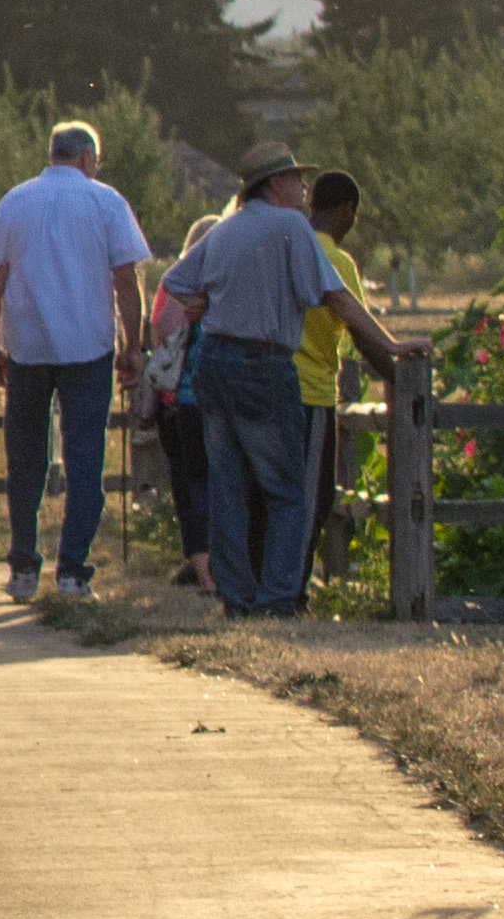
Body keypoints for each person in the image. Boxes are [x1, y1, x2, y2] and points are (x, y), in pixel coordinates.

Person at [162, 142, 431, 617]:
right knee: (286, 489)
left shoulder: (224, 232)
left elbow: (178, 281)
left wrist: (206, 301)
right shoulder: (290, 228)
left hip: (216, 363)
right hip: (264, 363)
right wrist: (391, 346)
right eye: (296, 179)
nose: (304, 190)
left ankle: (237, 598)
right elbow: (340, 300)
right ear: (275, 184)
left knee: (228, 487)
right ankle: (278, 598)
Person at [0, 122, 154, 603]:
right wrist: (133, 344)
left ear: (52, 154)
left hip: (28, 347)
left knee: (25, 459)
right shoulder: (106, 201)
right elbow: (126, 281)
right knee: (85, 458)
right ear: (88, 158)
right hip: (88, 346)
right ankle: (73, 570)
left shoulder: (15, 202)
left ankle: (24, 566)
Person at [296, 170, 376, 588]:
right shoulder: (337, 259)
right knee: (316, 495)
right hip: (312, 388)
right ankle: (296, 580)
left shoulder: (288, 244)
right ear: (346, 210)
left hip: (270, 382)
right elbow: (359, 328)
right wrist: (393, 364)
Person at [146, 212, 222, 587]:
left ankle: (201, 567)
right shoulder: (210, 284)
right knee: (210, 482)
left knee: (189, 486)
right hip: (198, 398)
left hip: (174, 399)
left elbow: (161, 330)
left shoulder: (172, 282)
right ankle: (211, 571)